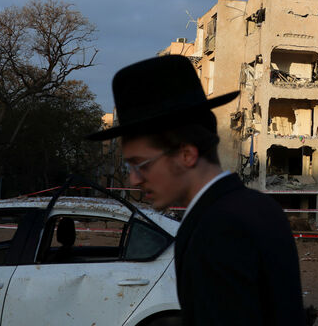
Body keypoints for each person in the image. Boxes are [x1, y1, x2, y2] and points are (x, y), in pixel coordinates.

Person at [86, 55, 305, 326]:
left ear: (186, 154)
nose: (134, 180)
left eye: (141, 165)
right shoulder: (259, 206)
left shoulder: (215, 229)